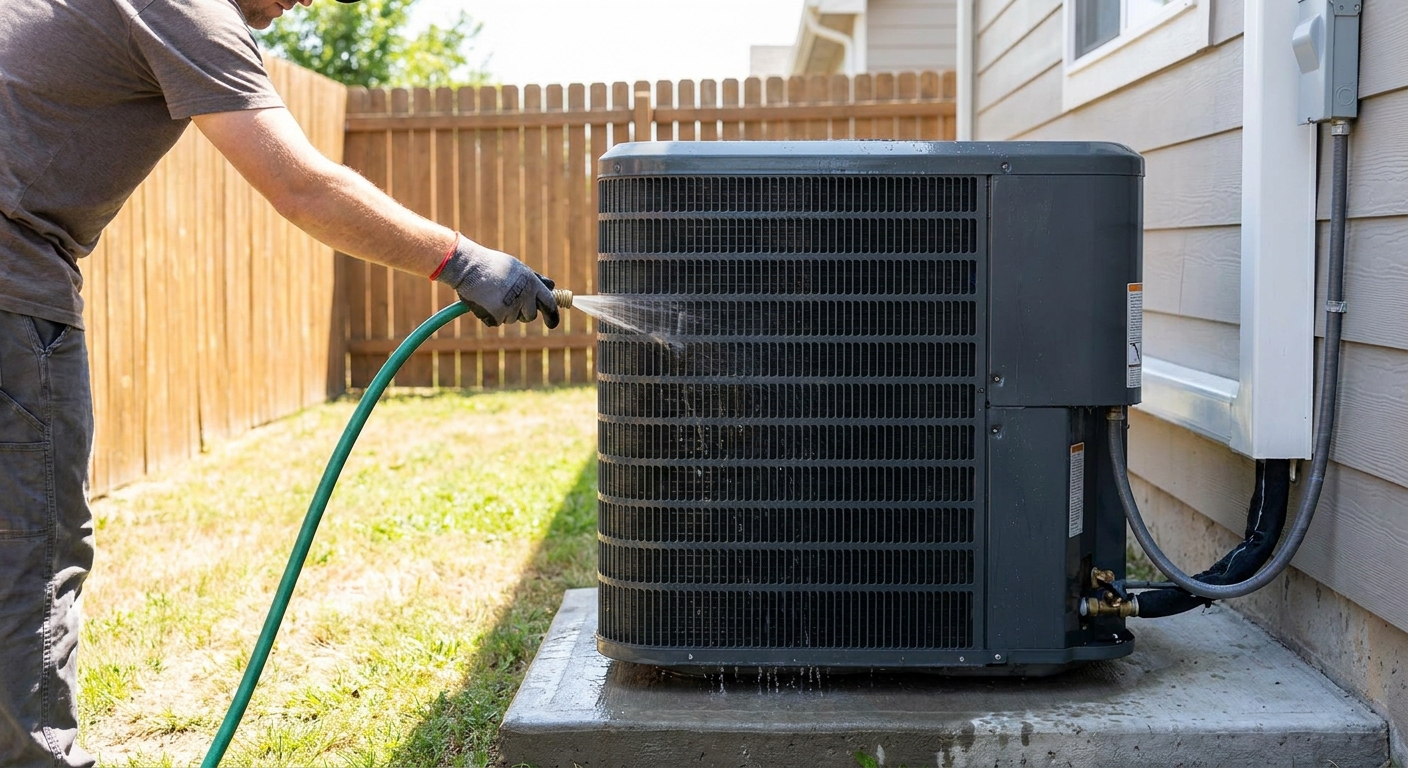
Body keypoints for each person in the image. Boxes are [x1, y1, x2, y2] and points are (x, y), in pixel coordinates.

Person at [0, 0, 558, 763]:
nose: (304, 2)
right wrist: (462, 261)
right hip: (11, 281)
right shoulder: (190, 11)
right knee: (30, 547)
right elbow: (302, 186)